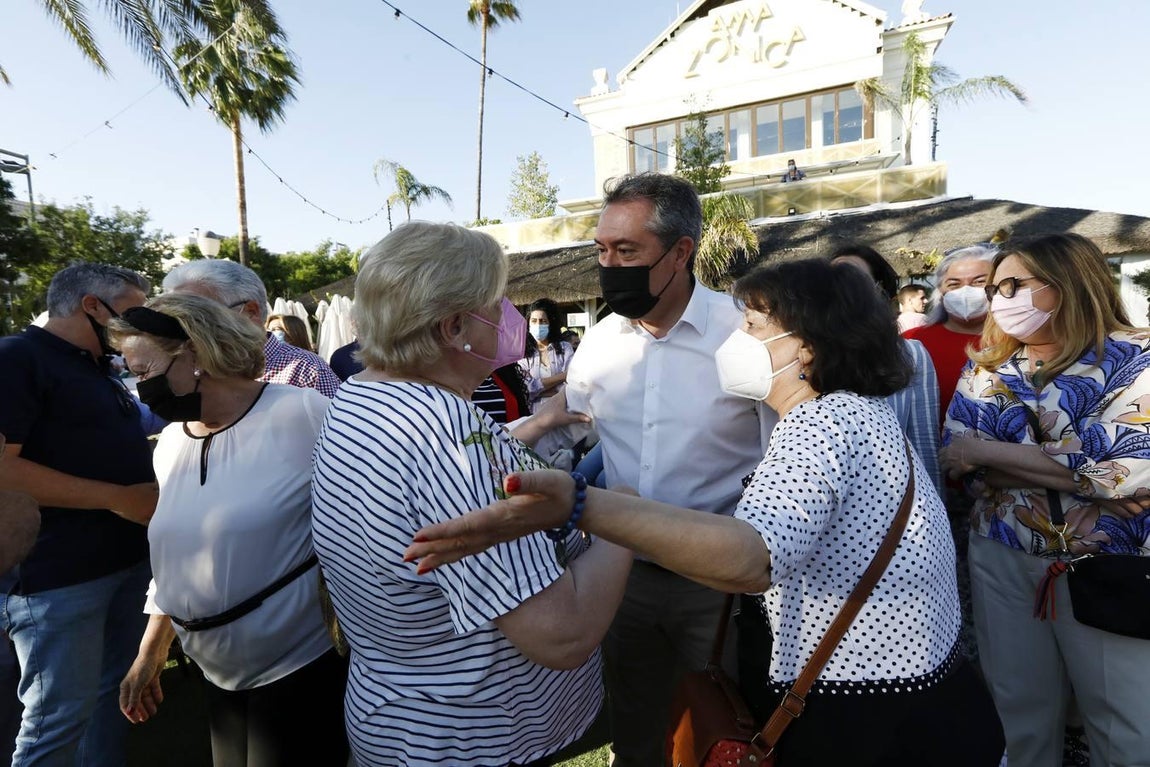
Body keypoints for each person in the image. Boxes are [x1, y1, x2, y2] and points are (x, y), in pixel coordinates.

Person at [408, 258, 1005, 766]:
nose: (732, 340)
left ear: (806, 345)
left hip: (864, 716)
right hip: (913, 698)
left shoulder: (821, 424)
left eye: (750, 324)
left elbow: (753, 556)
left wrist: (582, 504)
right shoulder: (857, 413)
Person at [309, 221, 632, 767]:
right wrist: (622, 515)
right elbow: (560, 634)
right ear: (456, 325)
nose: (507, 318)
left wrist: (515, 439)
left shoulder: (358, 397)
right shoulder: (447, 432)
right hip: (472, 734)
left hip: (395, 715)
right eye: (497, 304)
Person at [565, 172, 774, 767]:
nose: (610, 266)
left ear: (682, 252)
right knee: (636, 726)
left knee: (726, 727)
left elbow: (780, 452)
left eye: (627, 251)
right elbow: (574, 425)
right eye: (602, 250)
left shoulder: (745, 336)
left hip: (719, 588)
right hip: (623, 575)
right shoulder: (601, 342)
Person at [110, 293, 349, 766]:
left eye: (143, 371)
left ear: (196, 353)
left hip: (296, 667)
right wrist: (151, 651)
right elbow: (174, 555)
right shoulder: (173, 440)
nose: (141, 388)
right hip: (215, 673)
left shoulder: (302, 414)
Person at [940, 233, 1150, 767]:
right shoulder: (986, 368)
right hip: (1002, 557)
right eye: (996, 287)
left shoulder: (1136, 357)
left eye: (1014, 284)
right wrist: (1082, 474)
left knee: (1125, 725)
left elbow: (1129, 471)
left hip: (1109, 565)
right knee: (1019, 714)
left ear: (1069, 284)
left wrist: (989, 454)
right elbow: (955, 460)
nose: (997, 298)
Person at [0, 263, 158, 766]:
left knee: (109, 703)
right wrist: (117, 496)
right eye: (133, 313)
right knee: (55, 721)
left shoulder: (93, 365)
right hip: (56, 580)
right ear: (93, 305)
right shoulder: (17, 358)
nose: (141, 326)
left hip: (122, 566)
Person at [830, 245, 943, 501]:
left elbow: (924, 443)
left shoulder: (909, 354)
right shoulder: (798, 353)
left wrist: (934, 519)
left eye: (851, 276)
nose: (837, 284)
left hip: (889, 502)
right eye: (830, 275)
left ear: (880, 292)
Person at [163, 259, 340, 398]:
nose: (184, 329)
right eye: (175, 319)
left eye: (199, 317)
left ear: (250, 312)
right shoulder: (187, 370)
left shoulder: (307, 372)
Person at [903, 243, 998, 425]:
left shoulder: (1020, 341)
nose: (965, 291)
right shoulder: (910, 342)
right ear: (940, 291)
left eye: (979, 281)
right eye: (954, 284)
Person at [520, 297, 576, 413]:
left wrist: (538, 391)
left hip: (563, 412)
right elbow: (525, 390)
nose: (538, 325)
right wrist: (562, 376)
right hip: (533, 416)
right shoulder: (523, 352)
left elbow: (573, 382)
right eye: (534, 321)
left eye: (543, 321)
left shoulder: (564, 348)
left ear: (551, 323)